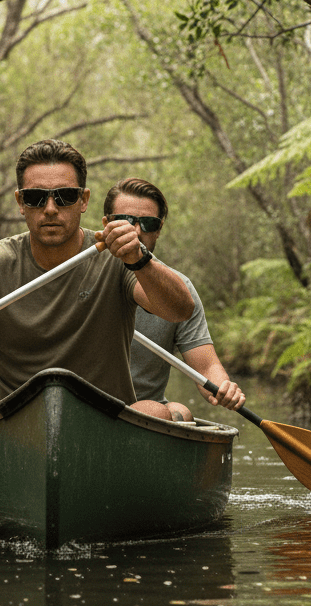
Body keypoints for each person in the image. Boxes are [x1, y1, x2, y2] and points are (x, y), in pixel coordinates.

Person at [0, 140, 194, 414]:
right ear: (20, 202)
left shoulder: (119, 255)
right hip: (21, 422)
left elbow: (180, 310)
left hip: (107, 418)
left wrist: (140, 261)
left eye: (65, 196)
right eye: (35, 198)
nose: (50, 209)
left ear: (83, 200)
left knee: (154, 410)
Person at [102, 177, 245, 422]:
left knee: (179, 412)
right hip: (84, 404)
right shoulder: (79, 272)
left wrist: (224, 387)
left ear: (158, 230)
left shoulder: (179, 290)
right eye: (124, 221)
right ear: (106, 224)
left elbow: (206, 367)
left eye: (147, 224)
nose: (135, 232)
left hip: (144, 411)